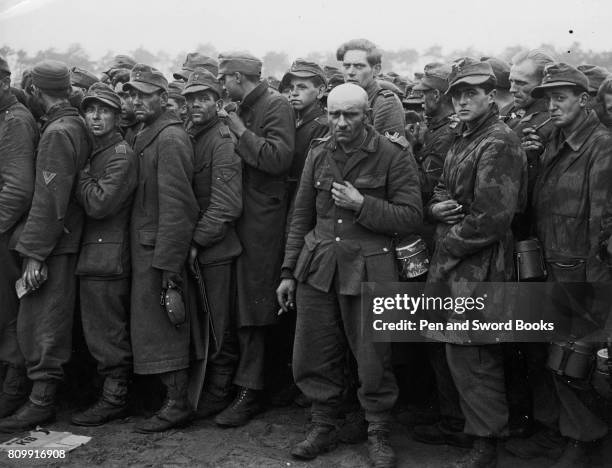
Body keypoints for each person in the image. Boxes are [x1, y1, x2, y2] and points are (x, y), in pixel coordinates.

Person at [277, 83, 422, 467]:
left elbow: (411, 217)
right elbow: (300, 216)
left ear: (367, 116)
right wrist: (288, 271)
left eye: (350, 115)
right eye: (334, 114)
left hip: (371, 265)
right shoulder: (318, 152)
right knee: (313, 351)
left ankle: (377, 429)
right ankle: (322, 423)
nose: (340, 122)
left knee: (374, 357)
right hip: (319, 264)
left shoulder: (393, 155)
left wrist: (363, 204)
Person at [508, 63, 612, 467]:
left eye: (561, 98)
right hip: (546, 266)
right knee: (546, 358)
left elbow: (604, 224)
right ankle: (556, 433)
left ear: (584, 100)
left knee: (573, 360)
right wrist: (529, 159)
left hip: (580, 272)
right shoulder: (549, 140)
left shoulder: (601, 146)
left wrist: (597, 289)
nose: (551, 106)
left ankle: (583, 441)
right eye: (547, 98)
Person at [426, 58, 526, 467]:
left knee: (476, 355)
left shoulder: (498, 141)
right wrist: (436, 208)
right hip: (456, 259)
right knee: (456, 352)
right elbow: (439, 186)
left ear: (490, 95)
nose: (463, 101)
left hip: (481, 263)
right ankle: (467, 429)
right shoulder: (463, 136)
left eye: (472, 93)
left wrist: (448, 243)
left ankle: (486, 444)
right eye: (457, 95)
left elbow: (492, 218)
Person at [0, 60, 92, 433]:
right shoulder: (69, 124)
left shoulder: (57, 131)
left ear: (36, 92)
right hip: (59, 239)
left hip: (53, 244)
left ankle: (41, 402)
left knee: (43, 323)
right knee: (40, 321)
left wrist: (35, 253)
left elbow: (49, 199)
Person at [214, 51, 295, 427]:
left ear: (235, 77)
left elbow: (279, 158)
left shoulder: (274, 104)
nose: (221, 84)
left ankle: (251, 391)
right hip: (244, 218)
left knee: (255, 307)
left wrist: (239, 130)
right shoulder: (247, 104)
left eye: (223, 77)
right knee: (243, 304)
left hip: (263, 222)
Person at [124, 64, 199, 433]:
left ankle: (177, 403)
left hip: (159, 251)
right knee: (151, 326)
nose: (135, 101)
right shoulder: (147, 133)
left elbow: (178, 206)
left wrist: (170, 267)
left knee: (166, 325)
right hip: (145, 247)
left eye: (144, 95)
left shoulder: (169, 138)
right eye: (132, 94)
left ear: (163, 98)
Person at [70, 83, 137, 427]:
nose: (96, 117)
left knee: (106, 332)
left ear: (117, 116)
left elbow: (99, 203)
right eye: (90, 110)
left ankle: (115, 398)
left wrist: (80, 176)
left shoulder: (121, 155)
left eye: (105, 111)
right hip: (96, 253)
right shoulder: (98, 149)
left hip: (107, 257)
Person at [180, 68, 243, 419]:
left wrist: (197, 241)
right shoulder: (191, 134)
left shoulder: (221, 140)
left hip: (216, 248)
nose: (195, 105)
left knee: (219, 323)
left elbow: (227, 205)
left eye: (203, 98)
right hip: (197, 244)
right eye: (190, 99)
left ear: (217, 102)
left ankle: (220, 388)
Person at [0, 56, 38, 419]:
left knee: (8, 313)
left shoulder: (15, 121)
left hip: (7, 234)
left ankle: (13, 388)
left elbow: (17, 189)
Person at [336, 39, 405, 136]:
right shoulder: (339, 99)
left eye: (359, 66)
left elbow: (391, 149)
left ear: (376, 70)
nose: (350, 72)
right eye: (347, 66)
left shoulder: (385, 103)